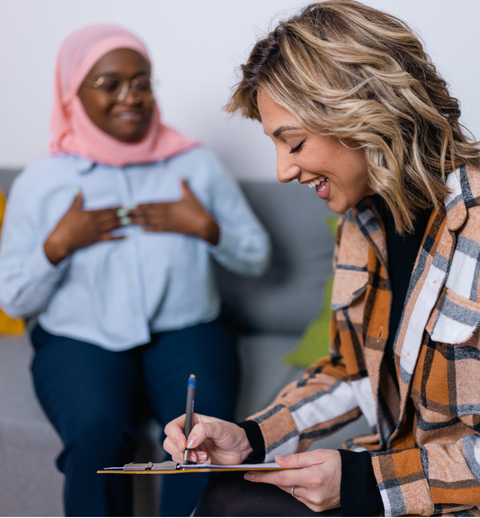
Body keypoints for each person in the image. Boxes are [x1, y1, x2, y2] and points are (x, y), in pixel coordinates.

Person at [163, 1, 480, 516]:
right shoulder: (361, 219)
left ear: (364, 111)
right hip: (407, 484)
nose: (283, 170)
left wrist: (367, 484)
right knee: (229, 495)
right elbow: (349, 371)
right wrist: (252, 438)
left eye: (294, 143)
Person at [0, 24, 270, 517]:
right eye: (110, 83)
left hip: (188, 330)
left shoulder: (194, 164)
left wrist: (206, 228)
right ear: (72, 92)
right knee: (95, 438)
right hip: (80, 339)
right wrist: (57, 246)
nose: (131, 97)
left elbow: (257, 256)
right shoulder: (43, 181)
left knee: (198, 443)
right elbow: (15, 301)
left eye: (142, 82)